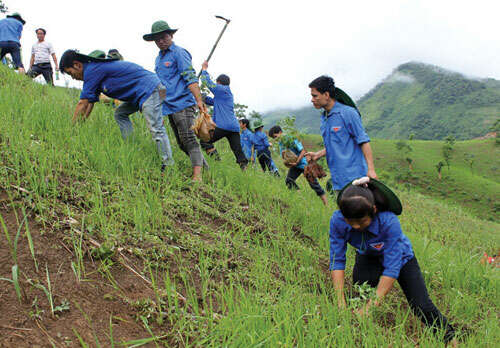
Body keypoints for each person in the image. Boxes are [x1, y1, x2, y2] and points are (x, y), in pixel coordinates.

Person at [330, 183, 457, 346]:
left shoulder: (388, 221)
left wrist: (371, 308)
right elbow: (337, 260)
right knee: (360, 294)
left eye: (361, 223)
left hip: (402, 259)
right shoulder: (338, 220)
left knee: (421, 305)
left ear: (374, 211)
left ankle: (451, 339)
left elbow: (392, 268)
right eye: (350, 222)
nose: (355, 227)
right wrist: (340, 303)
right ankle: (359, 337)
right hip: (368, 256)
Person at [59, 49, 173, 170]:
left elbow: (82, 103)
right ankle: (132, 146)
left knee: (155, 127)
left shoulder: (92, 69)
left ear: (77, 65)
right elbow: (90, 103)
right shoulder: (93, 72)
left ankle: (168, 165)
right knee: (120, 114)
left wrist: (71, 130)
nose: (73, 78)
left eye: (71, 73)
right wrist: (80, 125)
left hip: (150, 88)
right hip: (139, 93)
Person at [143, 20, 207, 182]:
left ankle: (197, 177)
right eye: (157, 39)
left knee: (188, 138)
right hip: (168, 106)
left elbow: (190, 77)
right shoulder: (159, 59)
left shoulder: (179, 53)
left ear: (170, 35)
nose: (161, 41)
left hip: (183, 104)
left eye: (164, 37)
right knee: (181, 143)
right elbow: (160, 85)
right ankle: (205, 169)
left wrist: (199, 100)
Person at [305, 76, 377, 193]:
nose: (312, 99)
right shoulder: (325, 117)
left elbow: (363, 141)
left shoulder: (348, 113)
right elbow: (337, 143)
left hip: (355, 178)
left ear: (326, 95)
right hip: (338, 179)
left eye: (315, 96)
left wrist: (371, 170)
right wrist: (318, 154)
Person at [200, 61, 248, 169]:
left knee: (205, 141)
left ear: (219, 82)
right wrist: (201, 97)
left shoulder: (221, 89)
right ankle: (244, 168)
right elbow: (213, 102)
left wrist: (204, 69)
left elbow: (207, 82)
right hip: (234, 127)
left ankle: (217, 161)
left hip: (222, 125)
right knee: (237, 150)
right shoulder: (226, 94)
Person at [269, 125, 327, 205]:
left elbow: (303, 151)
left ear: (280, 132)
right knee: (289, 181)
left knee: (314, 184)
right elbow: (285, 156)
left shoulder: (290, 138)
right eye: (274, 138)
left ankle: (326, 204)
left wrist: (297, 161)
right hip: (295, 166)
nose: (276, 139)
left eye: (275, 136)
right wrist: (284, 156)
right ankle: (302, 200)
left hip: (303, 164)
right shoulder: (281, 143)